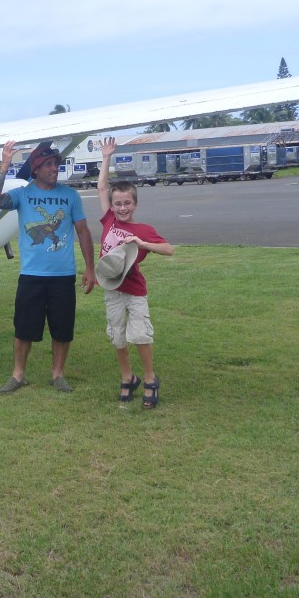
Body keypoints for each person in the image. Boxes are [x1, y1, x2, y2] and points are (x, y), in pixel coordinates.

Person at [0, 140, 97, 393]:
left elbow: (83, 232)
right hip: (31, 275)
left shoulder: (70, 196)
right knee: (24, 327)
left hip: (63, 275)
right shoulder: (22, 195)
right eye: (48, 164)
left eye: (56, 164)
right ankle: (18, 375)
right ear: (35, 169)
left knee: (62, 326)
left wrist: (90, 268)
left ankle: (58, 375)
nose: (54, 168)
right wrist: (4, 165)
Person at [96, 138, 174, 407]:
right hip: (111, 289)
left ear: (135, 204)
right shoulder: (109, 220)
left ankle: (150, 378)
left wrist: (143, 244)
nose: (122, 208)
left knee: (139, 334)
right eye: (117, 204)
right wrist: (107, 157)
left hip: (134, 290)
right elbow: (102, 186)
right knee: (117, 336)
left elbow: (168, 249)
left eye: (127, 203)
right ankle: (128, 377)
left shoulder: (143, 230)